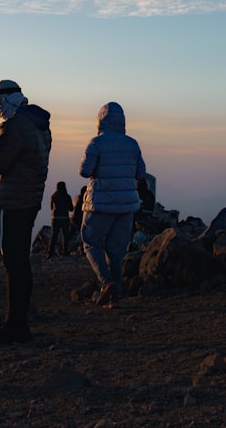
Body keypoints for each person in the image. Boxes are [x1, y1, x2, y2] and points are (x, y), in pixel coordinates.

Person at [0, 79, 52, 344]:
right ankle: (18, 323)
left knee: (12, 263)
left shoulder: (14, 125)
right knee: (20, 262)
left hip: (10, 202)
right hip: (28, 200)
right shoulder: (38, 124)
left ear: (6, 100)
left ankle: (15, 326)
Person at [79, 101, 146, 309]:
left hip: (100, 204)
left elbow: (85, 171)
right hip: (126, 206)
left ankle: (106, 282)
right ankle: (115, 299)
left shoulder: (96, 143)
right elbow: (141, 174)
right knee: (116, 252)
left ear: (100, 120)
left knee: (91, 242)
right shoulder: (132, 144)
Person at [47, 181, 72, 258]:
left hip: (55, 218)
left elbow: (51, 208)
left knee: (54, 235)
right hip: (64, 218)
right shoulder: (67, 197)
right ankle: (65, 251)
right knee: (65, 235)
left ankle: (50, 252)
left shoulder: (53, 196)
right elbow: (71, 208)